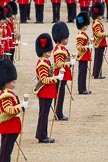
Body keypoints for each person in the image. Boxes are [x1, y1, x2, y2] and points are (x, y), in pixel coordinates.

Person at [0, 59, 28, 162]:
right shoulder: (6, 95)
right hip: (9, 127)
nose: (14, 83)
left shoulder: (9, 93)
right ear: (6, 82)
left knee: (6, 151)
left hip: (11, 126)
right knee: (5, 153)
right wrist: (21, 107)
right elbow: (8, 110)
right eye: (12, 81)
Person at [35, 33, 59, 143]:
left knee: (44, 114)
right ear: (42, 51)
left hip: (48, 91)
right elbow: (44, 80)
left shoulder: (46, 61)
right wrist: (56, 78)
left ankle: (42, 134)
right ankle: (41, 135)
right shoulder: (42, 63)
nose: (49, 52)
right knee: (43, 115)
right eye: (47, 50)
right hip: (45, 91)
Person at [51, 21, 75, 120]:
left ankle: (59, 113)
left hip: (62, 75)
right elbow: (59, 64)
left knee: (60, 95)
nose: (67, 39)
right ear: (62, 39)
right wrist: (70, 63)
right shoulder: (59, 50)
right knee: (59, 96)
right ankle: (58, 114)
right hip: (60, 75)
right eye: (66, 38)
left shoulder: (61, 48)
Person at [76, 11, 92, 94]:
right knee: (82, 74)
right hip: (82, 56)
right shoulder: (81, 35)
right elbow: (79, 47)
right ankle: (81, 89)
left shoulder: (83, 34)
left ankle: (83, 88)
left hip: (85, 56)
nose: (87, 26)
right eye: (86, 25)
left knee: (83, 73)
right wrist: (87, 47)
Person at [90, 2, 108, 79]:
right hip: (99, 43)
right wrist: (106, 34)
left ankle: (97, 73)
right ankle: (97, 74)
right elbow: (98, 34)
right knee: (98, 59)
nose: (101, 16)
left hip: (101, 43)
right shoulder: (97, 23)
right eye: (101, 15)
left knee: (99, 59)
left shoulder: (97, 22)